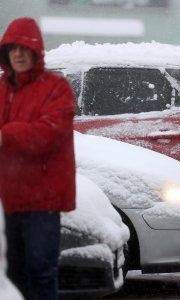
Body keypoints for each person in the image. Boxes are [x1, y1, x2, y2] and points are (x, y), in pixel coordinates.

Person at [0, 17, 76, 299]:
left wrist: (6, 135)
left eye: (24, 48)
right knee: (12, 278)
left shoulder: (56, 88)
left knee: (41, 275)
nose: (18, 54)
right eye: (12, 48)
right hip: (7, 201)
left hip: (42, 202)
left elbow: (48, 134)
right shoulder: (3, 88)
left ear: (36, 50)